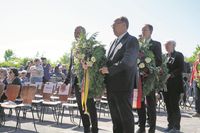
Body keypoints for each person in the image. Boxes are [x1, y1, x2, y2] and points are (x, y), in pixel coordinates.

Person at [100, 16, 139, 133]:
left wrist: (109, 70)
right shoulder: (113, 42)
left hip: (123, 85)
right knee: (115, 118)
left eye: (114, 25)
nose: (112, 27)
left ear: (123, 25)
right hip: (111, 86)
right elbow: (109, 61)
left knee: (125, 117)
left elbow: (128, 62)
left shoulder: (131, 40)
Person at [64, 26, 98, 133]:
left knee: (90, 106)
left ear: (84, 33)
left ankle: (95, 129)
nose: (76, 34)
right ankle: (86, 128)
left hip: (88, 81)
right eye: (75, 32)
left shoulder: (89, 46)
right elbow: (71, 66)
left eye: (78, 32)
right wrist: (66, 82)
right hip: (77, 83)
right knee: (81, 107)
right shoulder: (73, 48)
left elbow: (95, 62)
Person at [137, 24, 162, 133]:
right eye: (142, 30)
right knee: (139, 102)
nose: (142, 31)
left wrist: (148, 69)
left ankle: (152, 128)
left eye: (145, 30)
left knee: (150, 103)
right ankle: (141, 126)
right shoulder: (137, 44)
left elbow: (159, 60)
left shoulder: (156, 44)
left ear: (151, 32)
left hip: (149, 78)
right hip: (138, 77)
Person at [163, 41, 184, 133]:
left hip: (175, 85)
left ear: (173, 46)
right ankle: (170, 125)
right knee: (168, 105)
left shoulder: (179, 55)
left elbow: (181, 68)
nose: (166, 46)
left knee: (174, 105)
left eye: (168, 45)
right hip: (165, 85)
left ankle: (176, 127)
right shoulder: (164, 56)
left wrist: (170, 75)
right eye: (165, 45)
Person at [190, 52, 200, 117]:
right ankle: (197, 112)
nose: (199, 56)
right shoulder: (195, 63)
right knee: (196, 97)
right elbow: (193, 72)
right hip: (195, 81)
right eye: (198, 55)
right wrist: (191, 81)